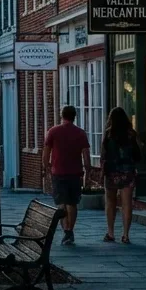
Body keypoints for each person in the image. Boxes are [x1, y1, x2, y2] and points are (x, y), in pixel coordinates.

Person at [43, 104, 92, 246]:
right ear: (74, 117)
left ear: (62, 115)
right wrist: (87, 170)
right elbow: (86, 154)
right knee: (72, 203)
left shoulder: (53, 131)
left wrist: (46, 168)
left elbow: (46, 152)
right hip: (75, 173)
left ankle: (66, 230)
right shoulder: (80, 133)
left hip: (58, 172)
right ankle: (70, 230)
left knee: (61, 203)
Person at [102, 106, 141, 244]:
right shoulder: (131, 134)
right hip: (127, 171)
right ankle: (125, 235)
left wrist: (103, 170)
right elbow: (137, 154)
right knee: (127, 204)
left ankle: (111, 232)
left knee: (110, 202)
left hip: (112, 171)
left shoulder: (108, 134)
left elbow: (104, 155)